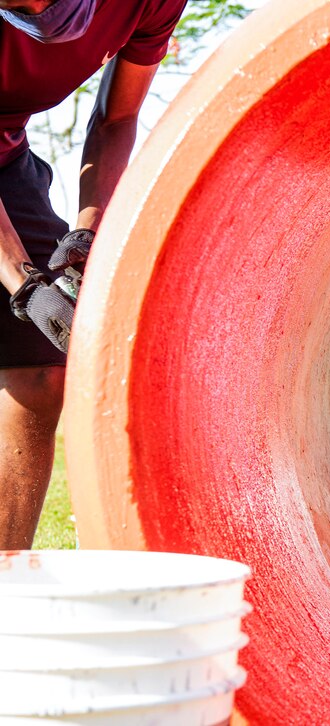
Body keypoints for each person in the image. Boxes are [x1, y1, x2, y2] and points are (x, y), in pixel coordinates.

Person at [0, 0, 187, 549]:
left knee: (43, 368)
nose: (36, 11)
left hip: (6, 160)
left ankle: (6, 584)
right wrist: (25, 283)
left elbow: (116, 116)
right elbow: (23, 282)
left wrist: (86, 234)